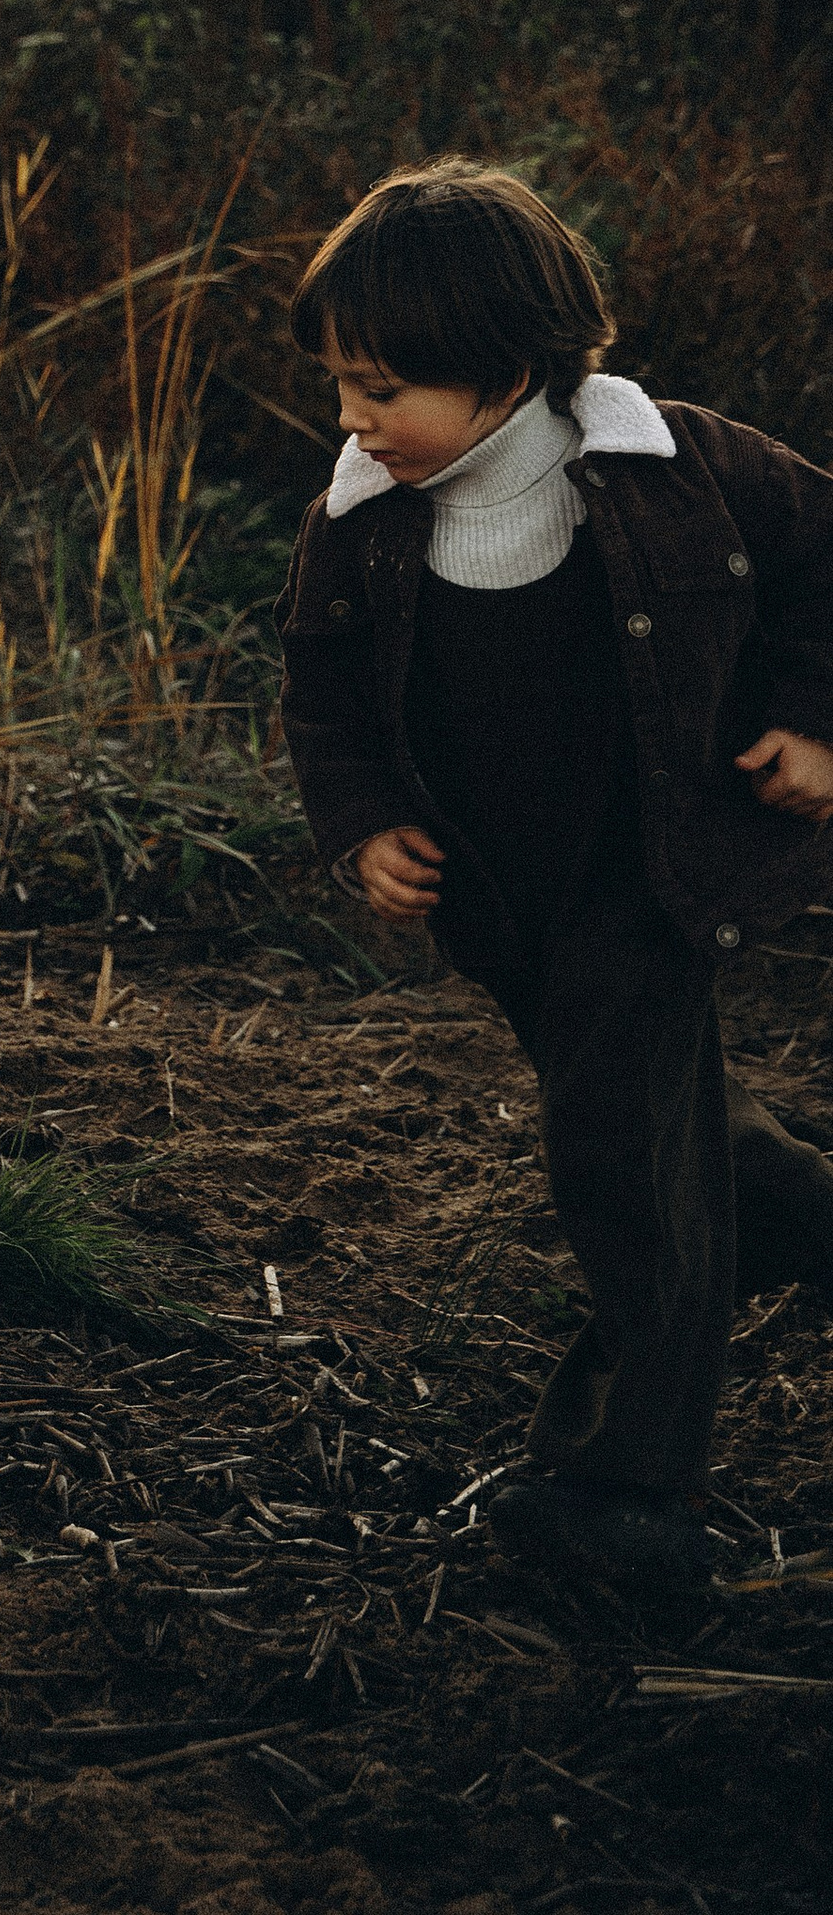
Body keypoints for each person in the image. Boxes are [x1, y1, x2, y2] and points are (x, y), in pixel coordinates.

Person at [278, 159, 833, 1589]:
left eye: (384, 388)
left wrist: (811, 713)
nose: (353, 420)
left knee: (620, 1159)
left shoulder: (674, 468)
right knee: (678, 1126)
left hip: (653, 875)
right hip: (504, 904)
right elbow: (324, 687)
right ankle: (802, 1219)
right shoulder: (362, 517)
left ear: (507, 368)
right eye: (342, 385)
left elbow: (824, 558)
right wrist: (363, 820)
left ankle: (632, 1486)